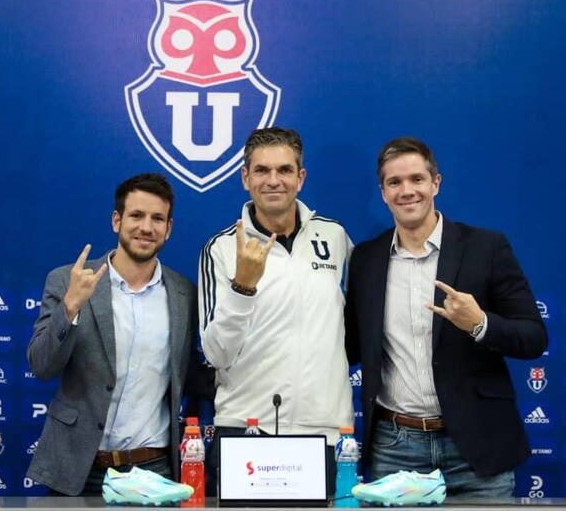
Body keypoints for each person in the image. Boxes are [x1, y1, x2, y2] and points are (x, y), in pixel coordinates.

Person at [345, 137, 548, 498]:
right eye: (395, 182)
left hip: (476, 447)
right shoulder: (366, 259)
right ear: (383, 192)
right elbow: (350, 346)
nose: (407, 191)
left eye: (417, 179)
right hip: (395, 448)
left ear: (436, 183)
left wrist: (479, 323)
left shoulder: (486, 248)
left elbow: (534, 337)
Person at [198, 127, 354, 495]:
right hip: (245, 430)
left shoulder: (334, 237)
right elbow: (215, 354)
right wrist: (243, 288)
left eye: (284, 170)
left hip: (324, 435)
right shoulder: (220, 249)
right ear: (245, 178)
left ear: (300, 178)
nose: (273, 181)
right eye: (262, 171)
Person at [26, 173, 197, 496]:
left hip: (154, 471)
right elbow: (41, 365)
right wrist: (70, 308)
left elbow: (191, 374)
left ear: (169, 229)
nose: (146, 227)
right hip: (80, 470)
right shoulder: (68, 281)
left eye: (157, 218)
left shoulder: (184, 294)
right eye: (136, 215)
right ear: (116, 221)